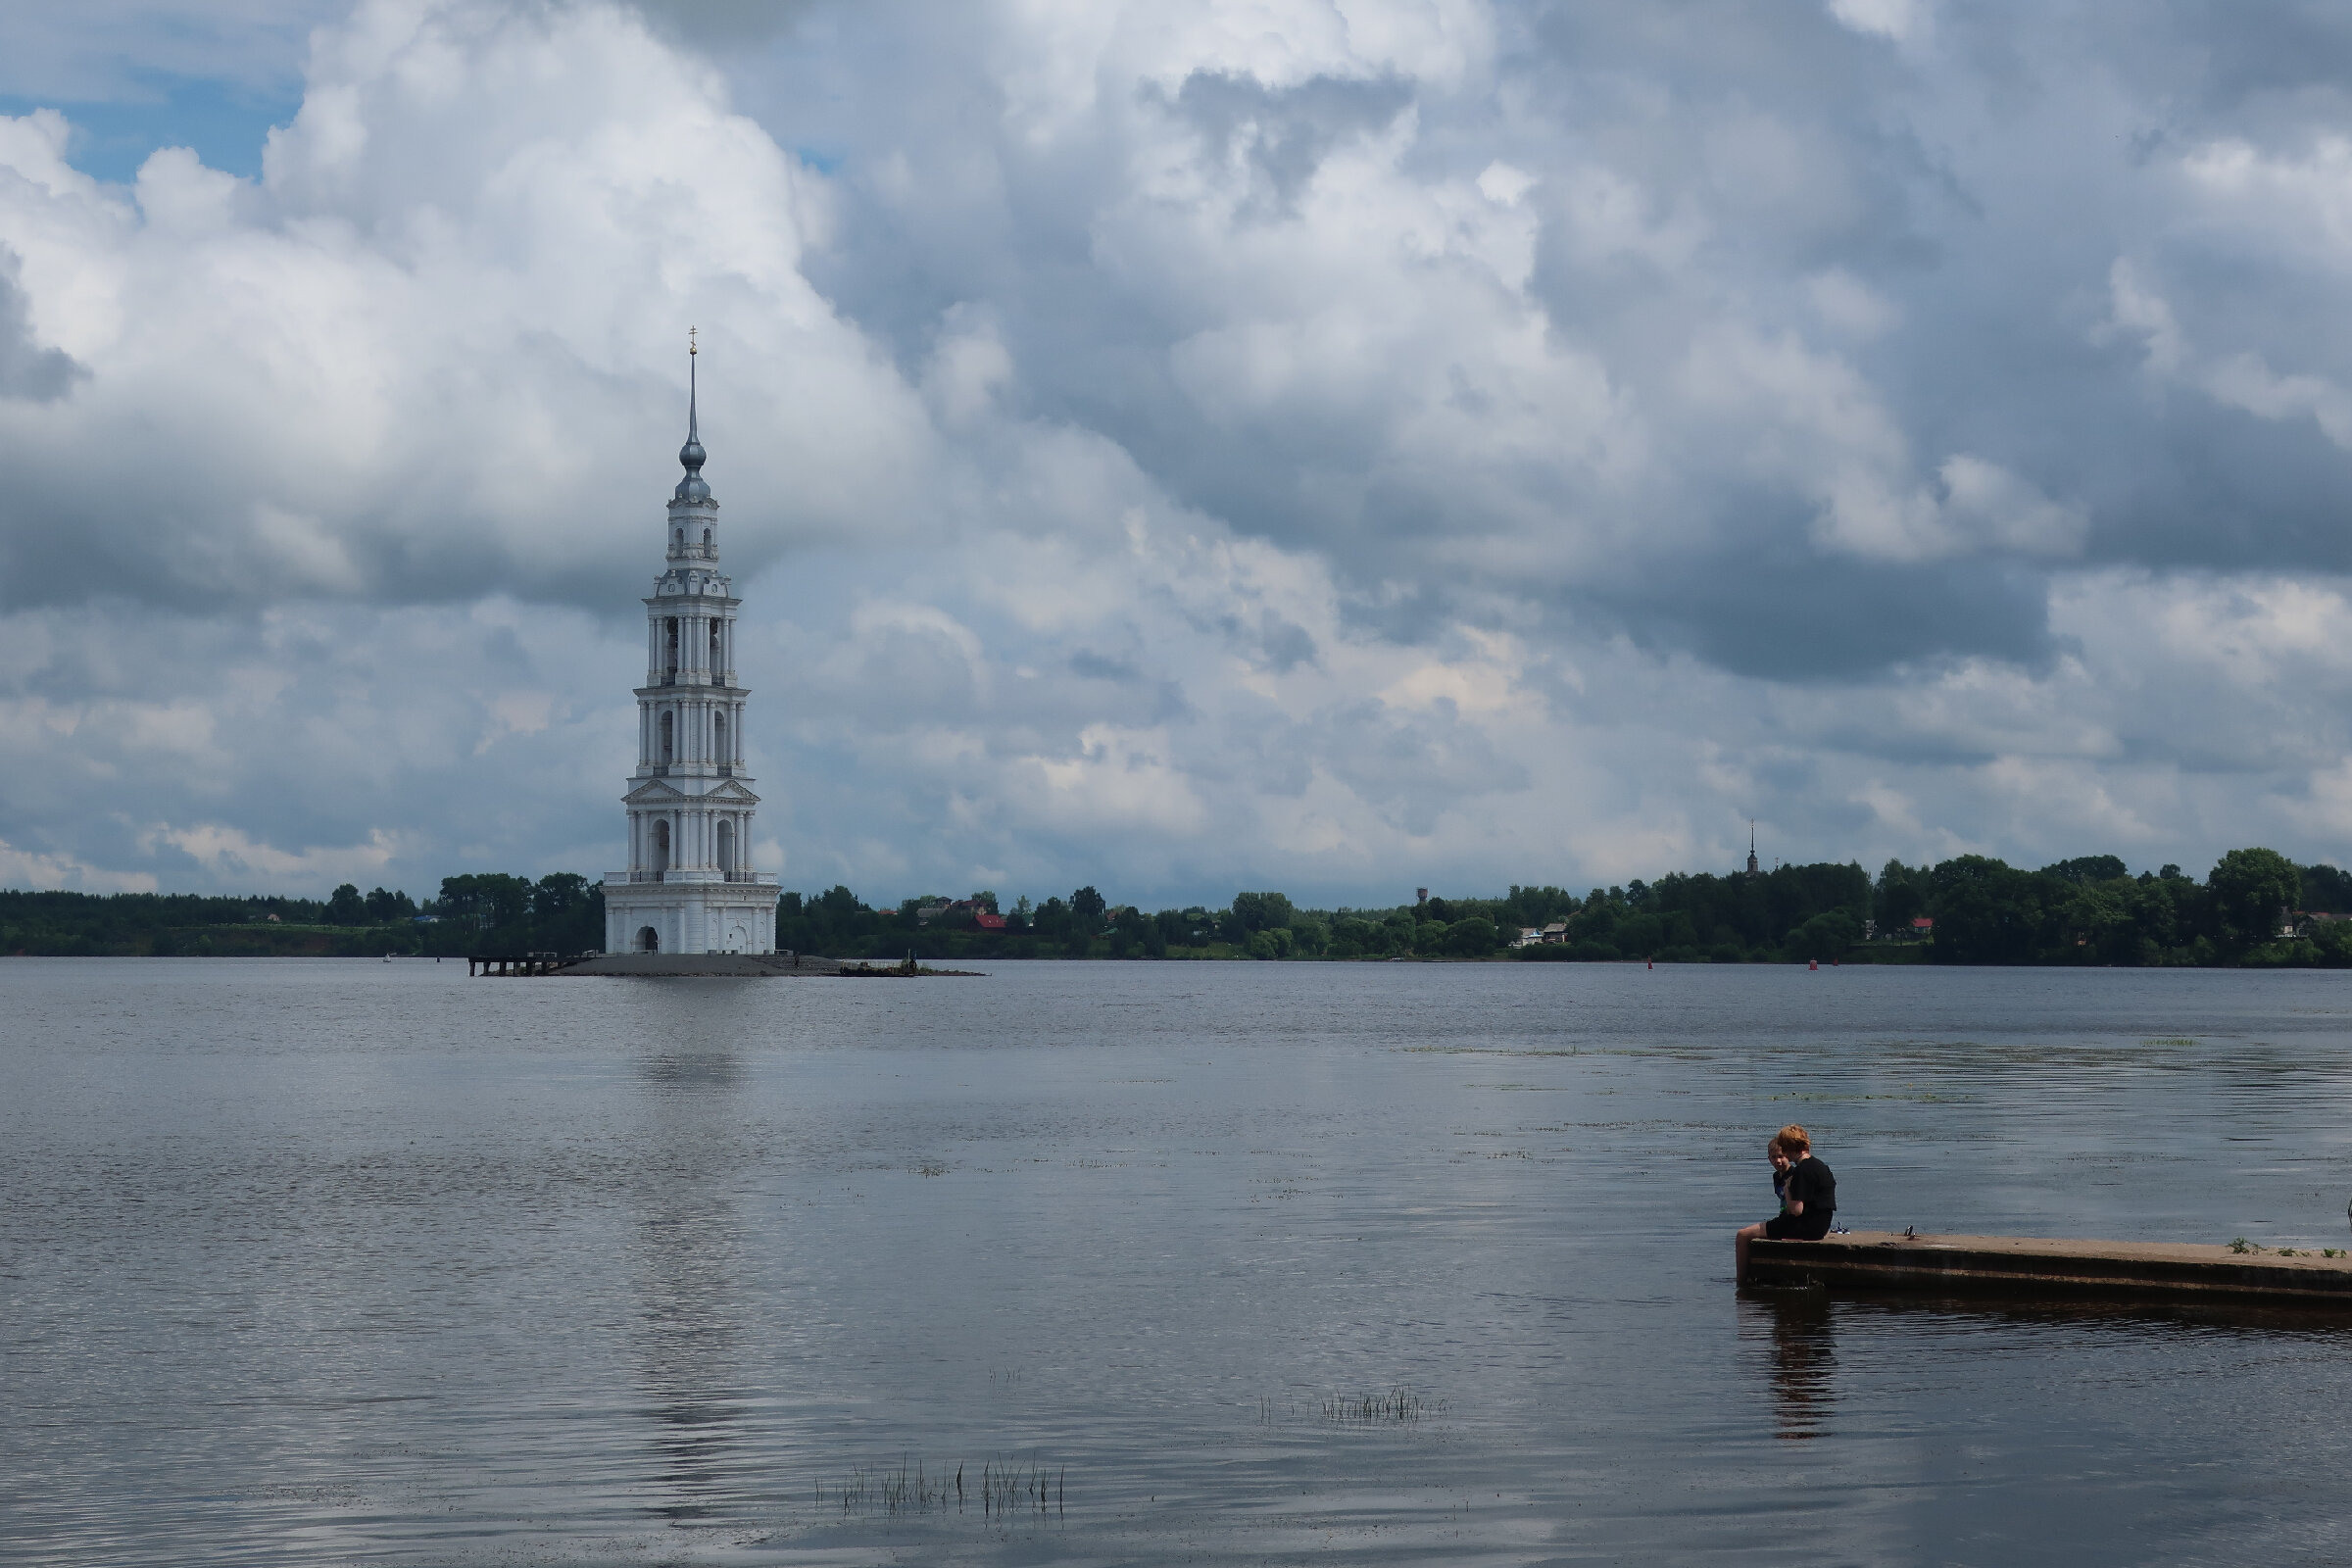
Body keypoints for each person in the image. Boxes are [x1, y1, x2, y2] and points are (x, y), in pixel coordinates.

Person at [1736, 1125, 1836, 1284]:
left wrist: (1788, 1188)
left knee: (1743, 1235)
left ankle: (1741, 1283)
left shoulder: (1802, 1171)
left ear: (1789, 1147)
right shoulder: (1820, 1166)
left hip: (1805, 1227)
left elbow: (1796, 1210)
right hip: (1821, 1225)